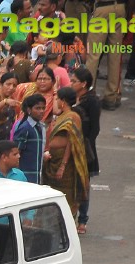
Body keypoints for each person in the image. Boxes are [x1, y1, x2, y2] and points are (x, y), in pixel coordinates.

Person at [45, 87, 89, 219]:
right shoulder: (60, 116)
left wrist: (63, 165)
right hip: (53, 161)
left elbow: (72, 142)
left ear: (63, 101)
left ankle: (68, 225)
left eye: (57, 99)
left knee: (66, 196)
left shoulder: (73, 117)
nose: (56, 101)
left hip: (65, 164)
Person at [13, 93, 48, 185]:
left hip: (37, 174)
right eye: (37, 108)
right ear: (29, 110)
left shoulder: (41, 127)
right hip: (25, 175)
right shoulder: (25, 128)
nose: (41, 111)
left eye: (43, 108)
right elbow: (16, 152)